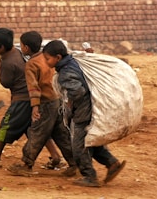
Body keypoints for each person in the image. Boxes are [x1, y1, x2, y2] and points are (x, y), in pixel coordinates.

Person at [42, 40, 126, 187]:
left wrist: (69, 101)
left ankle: (89, 176)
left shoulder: (65, 73)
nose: (46, 61)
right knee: (90, 140)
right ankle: (112, 163)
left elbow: (78, 91)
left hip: (83, 112)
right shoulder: (74, 61)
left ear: (58, 57)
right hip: (93, 108)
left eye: (48, 58)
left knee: (78, 145)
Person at [0, 28, 63, 169]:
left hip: (22, 100)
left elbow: (6, 83)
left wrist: (0, 66)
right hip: (32, 98)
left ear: (1, 47)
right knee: (34, 129)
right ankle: (55, 156)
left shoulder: (7, 62)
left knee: (5, 125)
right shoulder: (17, 52)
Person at [7, 31, 77, 177]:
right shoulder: (47, 57)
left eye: (21, 45)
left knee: (37, 132)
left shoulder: (32, 64)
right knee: (61, 134)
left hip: (45, 103)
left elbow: (33, 88)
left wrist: (35, 107)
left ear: (25, 48)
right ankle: (74, 163)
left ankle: (27, 164)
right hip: (57, 100)